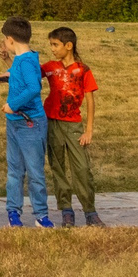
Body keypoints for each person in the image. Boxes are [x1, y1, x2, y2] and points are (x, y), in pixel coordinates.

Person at [42, 27, 101, 228]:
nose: (52, 49)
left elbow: (90, 101)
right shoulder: (50, 67)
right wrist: (8, 60)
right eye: (51, 45)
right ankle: (66, 210)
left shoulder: (83, 70)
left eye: (55, 45)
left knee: (82, 168)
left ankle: (90, 211)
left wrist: (89, 130)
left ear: (68, 45)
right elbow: (28, 76)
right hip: (52, 123)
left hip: (74, 125)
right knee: (58, 167)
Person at [0, 17, 49, 229]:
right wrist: (8, 71)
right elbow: (21, 77)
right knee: (14, 170)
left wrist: (12, 105)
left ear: (10, 39)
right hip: (14, 123)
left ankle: (41, 214)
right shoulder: (22, 59)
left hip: (30, 124)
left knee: (35, 172)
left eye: (5, 40)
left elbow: (33, 87)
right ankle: (13, 211)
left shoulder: (27, 61)